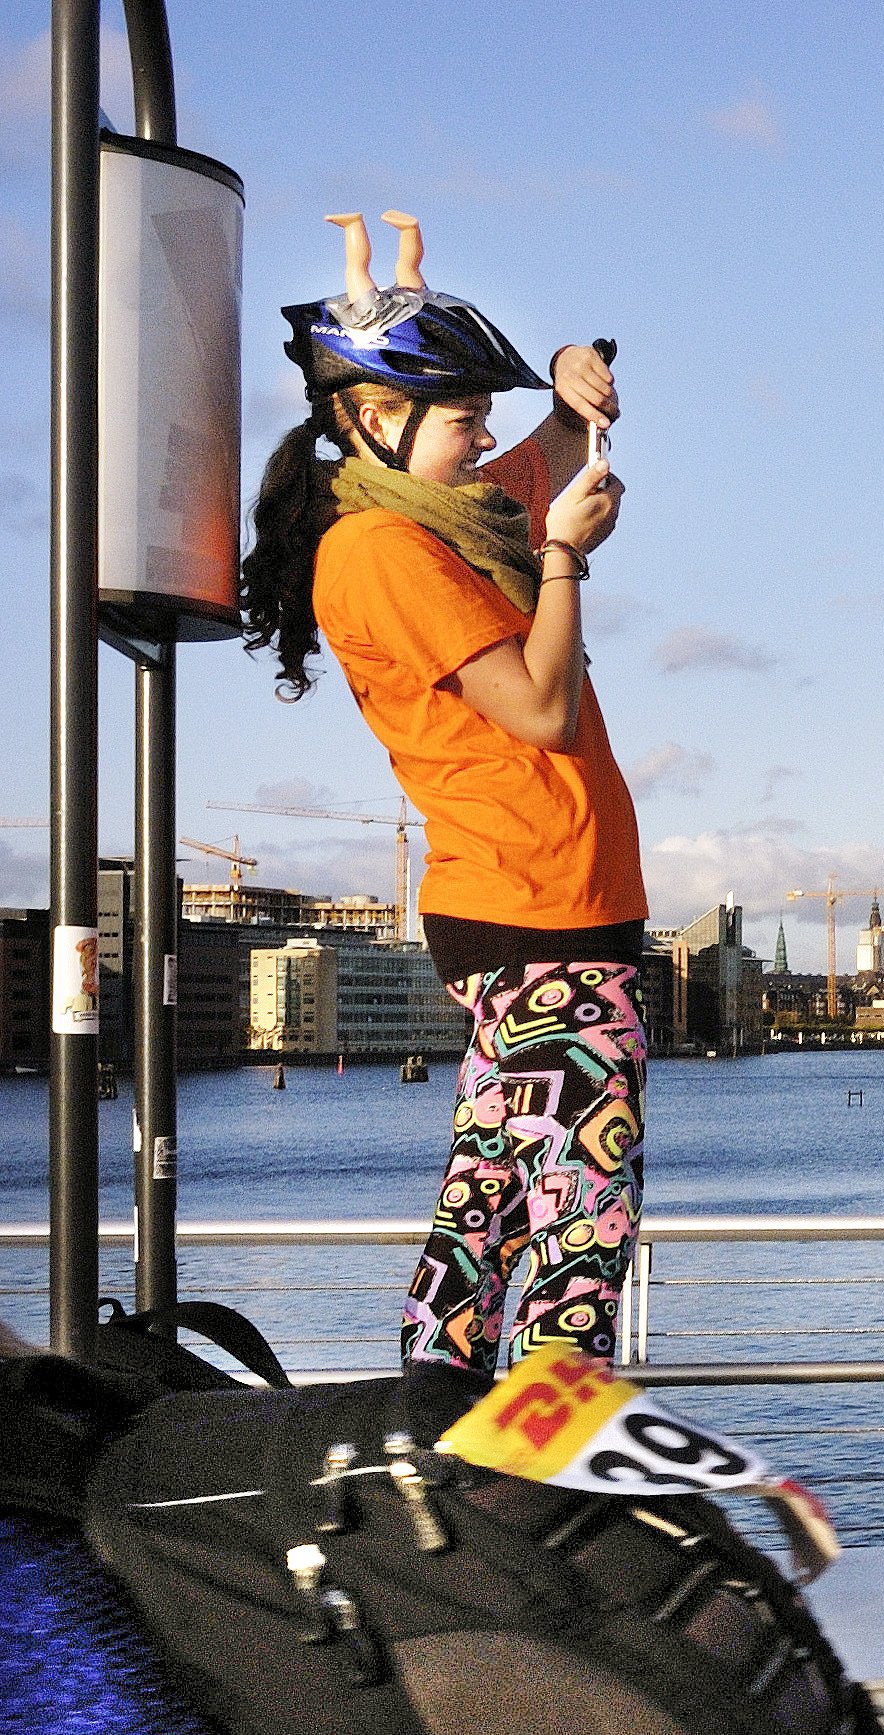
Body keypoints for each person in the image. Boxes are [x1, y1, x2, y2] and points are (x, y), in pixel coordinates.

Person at [241, 211, 638, 1380]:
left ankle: (440, 1446)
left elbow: (550, 455)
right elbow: (538, 709)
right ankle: (545, 1475)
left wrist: (573, 387)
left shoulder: (453, 519)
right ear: (375, 417)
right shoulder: (380, 551)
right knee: (579, 1233)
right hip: (539, 914)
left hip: (539, 909)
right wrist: (564, 559)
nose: (484, 437)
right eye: (465, 417)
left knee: (495, 1209)